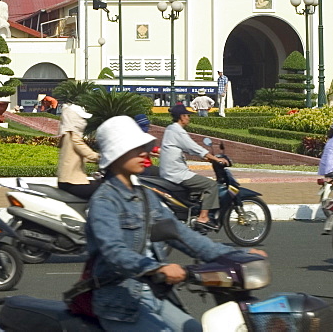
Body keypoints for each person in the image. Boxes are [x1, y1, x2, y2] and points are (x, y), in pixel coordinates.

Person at [84, 116, 260, 331]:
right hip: (120, 302)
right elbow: (114, 252)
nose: (143, 152)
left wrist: (236, 256)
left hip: (154, 294)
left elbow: (180, 234)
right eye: (134, 148)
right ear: (115, 154)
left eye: (143, 147)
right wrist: (158, 268)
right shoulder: (104, 201)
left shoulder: (145, 197)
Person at [160, 104, 227, 230]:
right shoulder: (178, 131)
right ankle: (203, 217)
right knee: (211, 185)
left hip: (170, 171)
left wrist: (206, 157)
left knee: (198, 186)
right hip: (177, 173)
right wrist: (216, 159)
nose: (189, 118)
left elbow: (188, 148)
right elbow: (193, 147)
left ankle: (194, 212)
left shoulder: (170, 129)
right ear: (181, 117)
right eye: (187, 115)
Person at [56, 103, 100, 199]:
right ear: (74, 119)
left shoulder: (65, 135)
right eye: (81, 119)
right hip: (72, 182)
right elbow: (85, 151)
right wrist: (101, 157)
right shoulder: (72, 136)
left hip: (66, 181)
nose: (83, 122)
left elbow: (77, 155)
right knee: (103, 189)